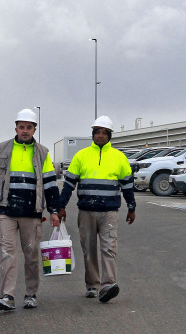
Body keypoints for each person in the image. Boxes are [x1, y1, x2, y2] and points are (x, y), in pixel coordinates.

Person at [0, 109, 61, 311]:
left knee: (31, 254)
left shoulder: (42, 153)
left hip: (32, 213)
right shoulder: (4, 149)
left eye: (29, 127)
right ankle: (7, 296)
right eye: (21, 127)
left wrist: (53, 211)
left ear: (35, 129)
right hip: (6, 211)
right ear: (16, 127)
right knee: (8, 253)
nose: (25, 131)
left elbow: (50, 184)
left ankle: (31, 294)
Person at [58, 116, 136, 303]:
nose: (100, 135)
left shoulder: (119, 157)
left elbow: (127, 185)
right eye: (97, 132)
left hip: (109, 212)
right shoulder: (81, 156)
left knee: (109, 248)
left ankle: (108, 284)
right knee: (89, 249)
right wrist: (61, 206)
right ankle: (92, 285)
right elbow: (69, 184)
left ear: (109, 136)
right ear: (93, 134)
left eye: (104, 133)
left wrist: (131, 207)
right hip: (86, 212)